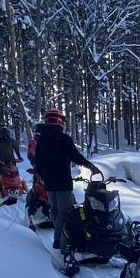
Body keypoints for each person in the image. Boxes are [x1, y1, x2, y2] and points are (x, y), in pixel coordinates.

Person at [31, 108, 97, 253]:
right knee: (65, 210)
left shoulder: (41, 141)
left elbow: (38, 162)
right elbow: (76, 156)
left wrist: (43, 176)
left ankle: (60, 235)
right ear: (59, 121)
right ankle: (58, 239)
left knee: (54, 210)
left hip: (48, 183)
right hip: (63, 181)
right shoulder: (64, 139)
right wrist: (90, 166)